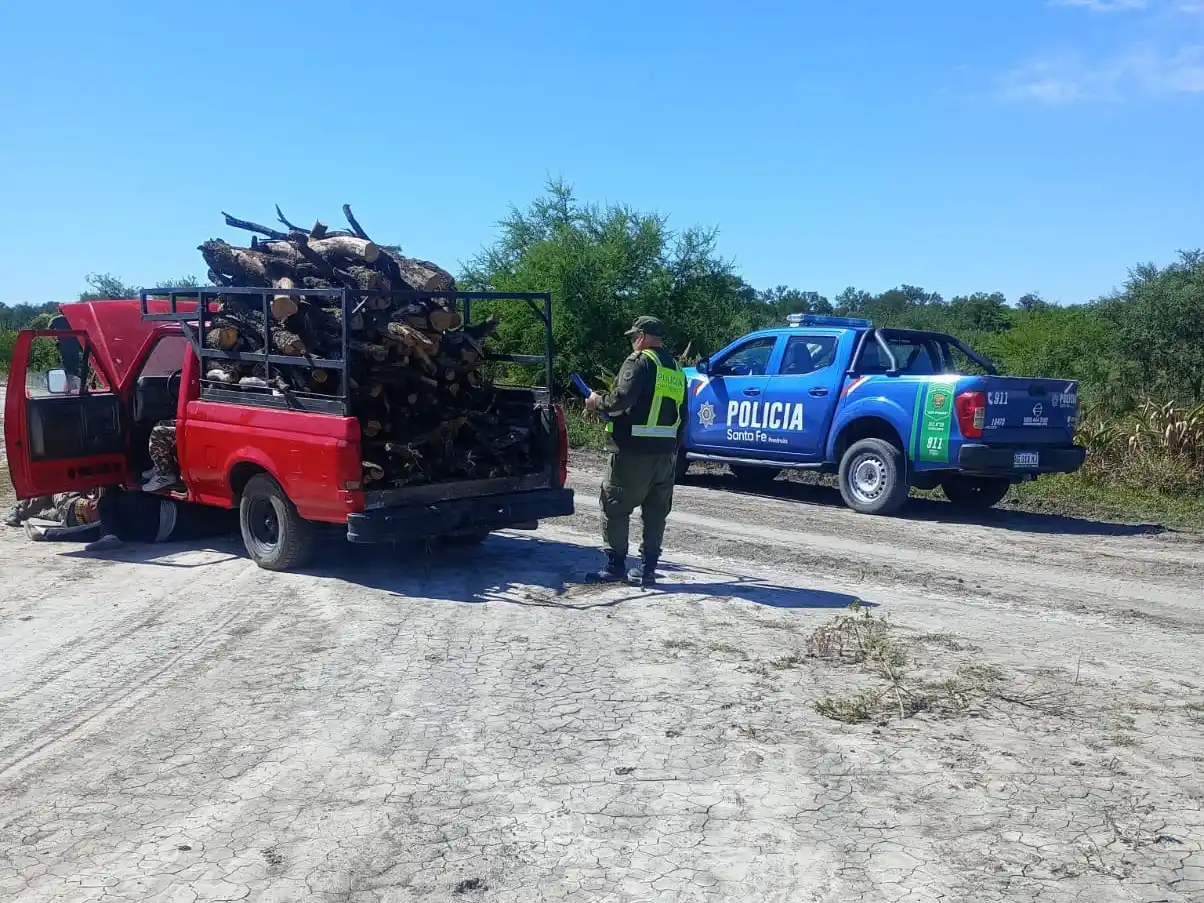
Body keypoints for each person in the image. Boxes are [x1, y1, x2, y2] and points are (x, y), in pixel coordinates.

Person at [585, 315, 688, 586]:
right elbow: (684, 416)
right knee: (655, 512)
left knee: (615, 506)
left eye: (634, 337)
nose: (633, 342)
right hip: (665, 455)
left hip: (632, 453)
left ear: (641, 336)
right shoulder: (676, 369)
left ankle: (615, 565)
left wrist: (597, 402)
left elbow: (620, 400)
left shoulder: (639, 361)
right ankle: (647, 568)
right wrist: (672, 450)